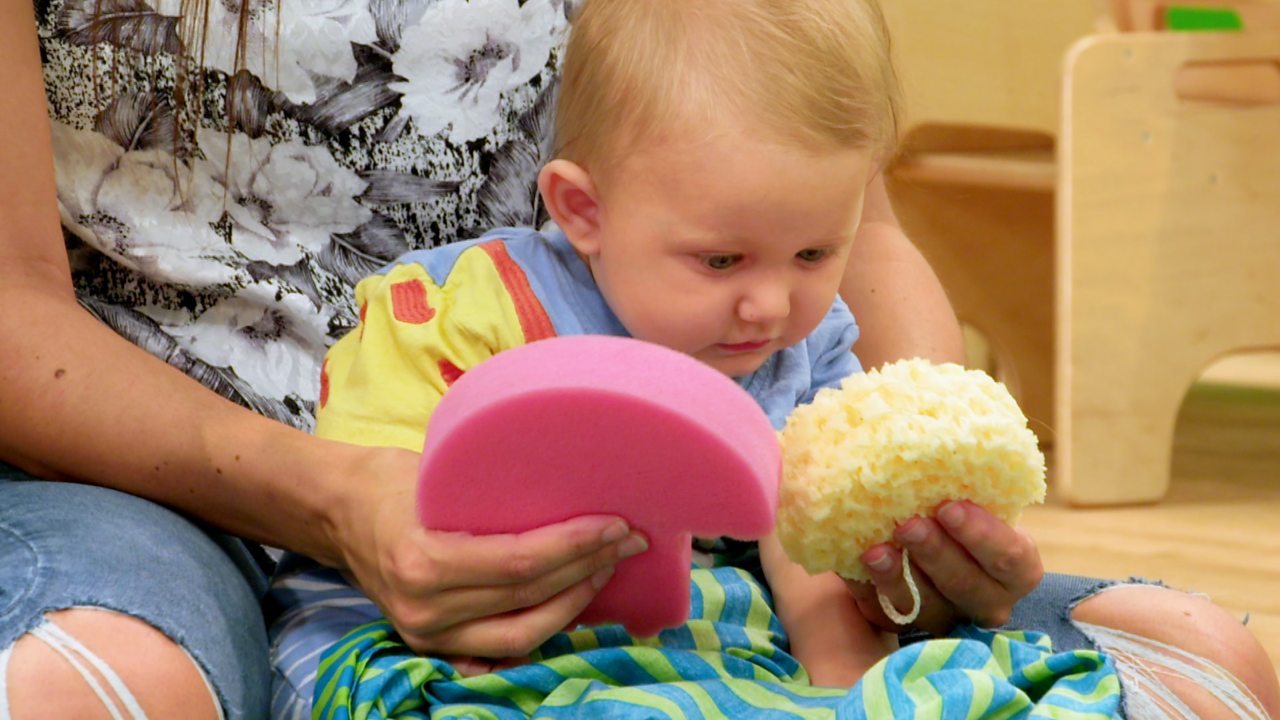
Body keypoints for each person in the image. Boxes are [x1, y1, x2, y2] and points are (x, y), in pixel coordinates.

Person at [0, 1, 1273, 719]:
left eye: (797, 267)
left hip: (694, 586)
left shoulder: (779, 317)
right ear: (578, 207)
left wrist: (904, 524)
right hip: (169, 472)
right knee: (96, 691)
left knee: (1205, 659)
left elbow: (847, 227)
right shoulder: (455, 316)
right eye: (726, 268)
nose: (769, 306)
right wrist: (342, 500)